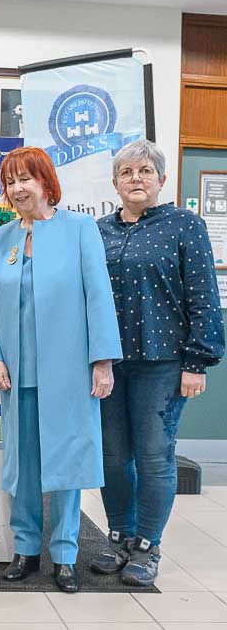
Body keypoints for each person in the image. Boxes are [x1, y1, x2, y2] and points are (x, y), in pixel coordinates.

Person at [0, 146, 122, 592]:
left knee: (67, 464)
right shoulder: (1, 239)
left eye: (25, 178)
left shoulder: (80, 230)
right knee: (24, 466)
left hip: (70, 373)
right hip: (17, 376)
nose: (17, 188)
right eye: (10, 181)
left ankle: (66, 554)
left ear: (46, 182)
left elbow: (98, 296)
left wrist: (102, 362)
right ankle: (25, 549)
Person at [92, 139, 225, 586]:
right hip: (108, 363)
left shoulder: (185, 226)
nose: (136, 179)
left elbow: (204, 295)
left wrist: (197, 362)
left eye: (145, 171)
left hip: (163, 363)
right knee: (113, 457)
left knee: (153, 456)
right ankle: (119, 537)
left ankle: (147, 546)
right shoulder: (98, 231)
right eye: (127, 172)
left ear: (161, 180)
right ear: (115, 182)